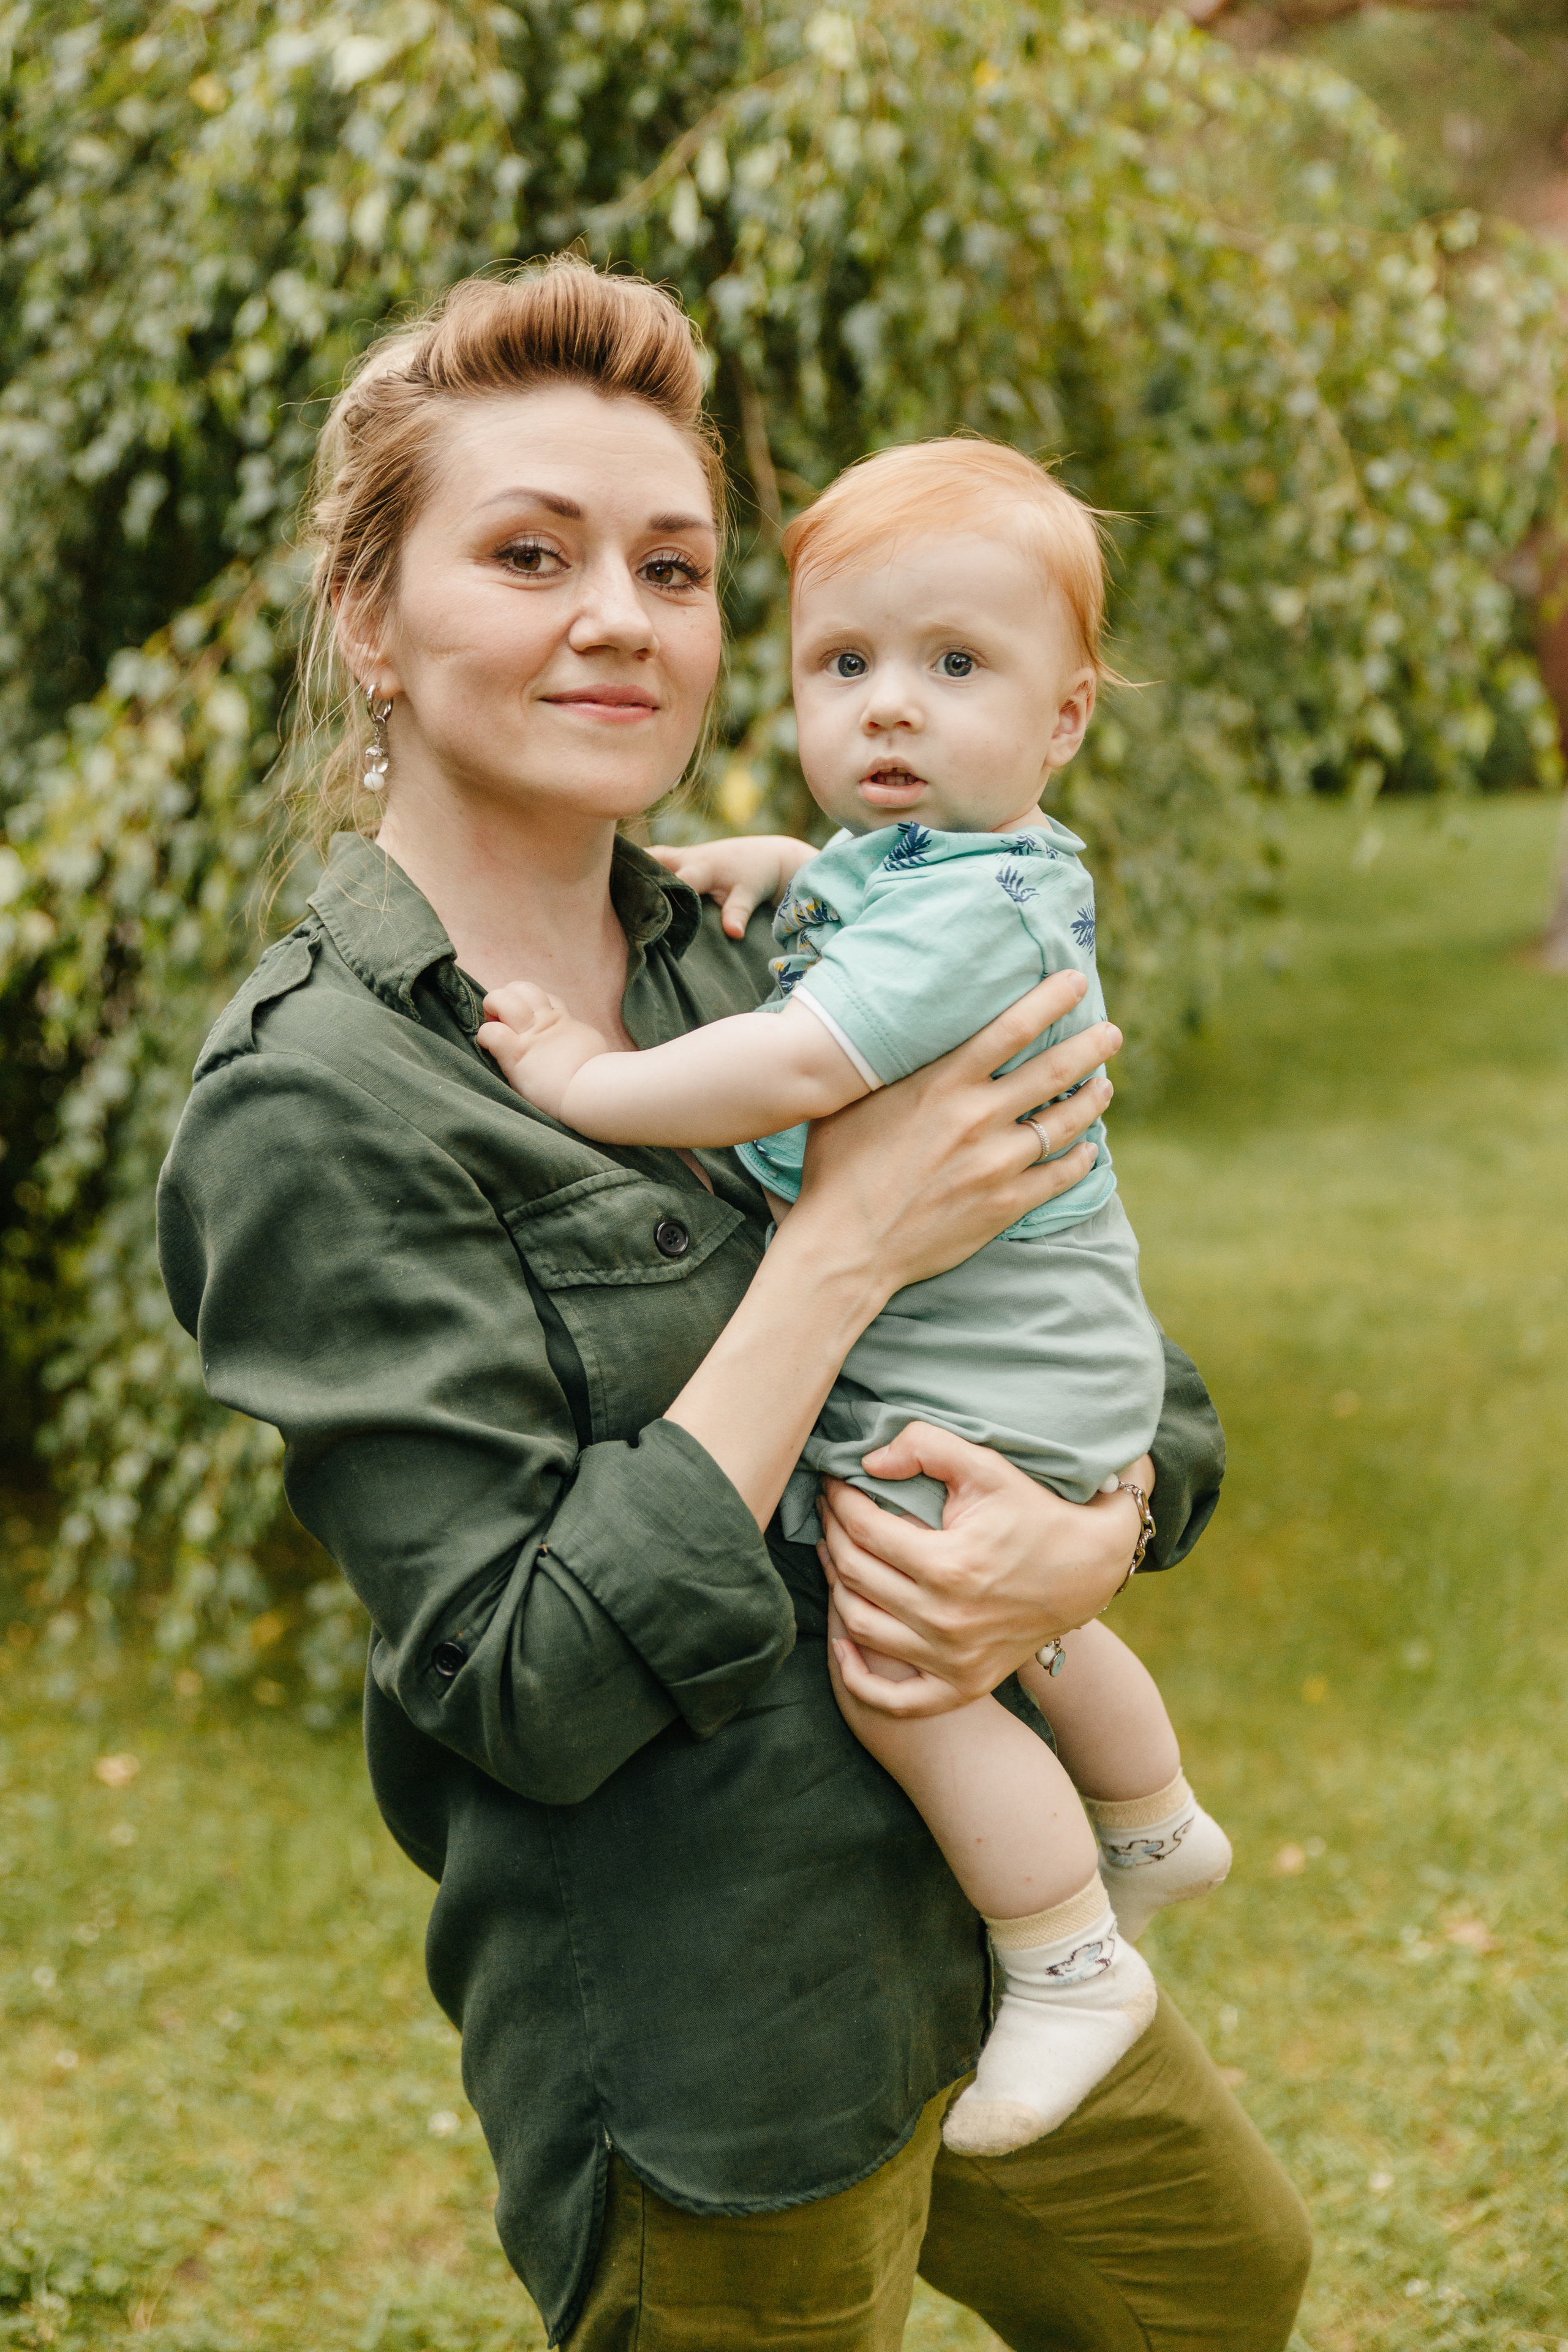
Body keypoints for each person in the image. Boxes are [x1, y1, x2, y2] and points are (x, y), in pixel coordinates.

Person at [157, 258, 1310, 2348]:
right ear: (370, 621)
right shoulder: (318, 1104)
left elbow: (1083, 1323)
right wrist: (841, 1248)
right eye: (530, 554)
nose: (619, 614)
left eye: (673, 566)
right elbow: (517, 1680)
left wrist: (1093, 1529)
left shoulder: (772, 940)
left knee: (1222, 2290)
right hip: (723, 2042)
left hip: (985, 1911)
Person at [478, 436, 1234, 2160]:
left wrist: (593, 1084)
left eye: (954, 668)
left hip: (983, 1370)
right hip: (1046, 1355)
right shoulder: (958, 866)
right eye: (846, 666)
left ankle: (1067, 1957)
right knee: (1039, 1619)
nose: (888, 711)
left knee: (911, 1665)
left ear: (1065, 718)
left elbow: (795, 1057)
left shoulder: (963, 915)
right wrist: (776, 860)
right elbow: (859, 911)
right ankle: (1151, 1809)